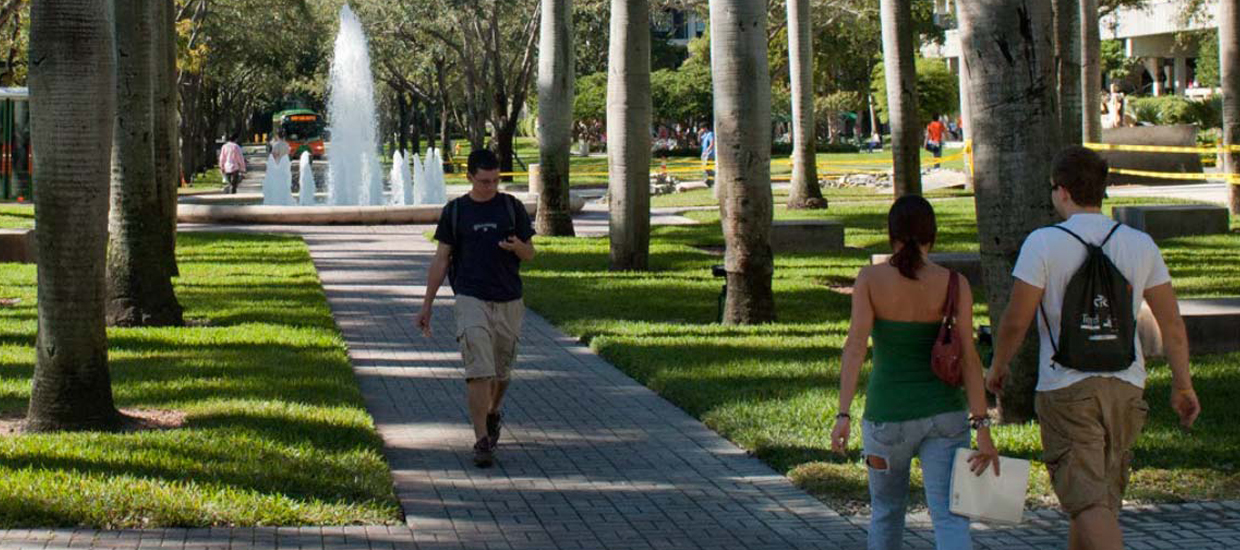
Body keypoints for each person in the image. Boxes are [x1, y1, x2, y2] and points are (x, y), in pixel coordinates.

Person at [986, 146, 1201, 550]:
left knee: (1087, 503)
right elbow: (1171, 323)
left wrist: (998, 365)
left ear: (1062, 191)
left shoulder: (1043, 243)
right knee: (1097, 500)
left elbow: (1016, 319)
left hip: (1067, 388)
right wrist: (1183, 384)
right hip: (1126, 386)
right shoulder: (1140, 244)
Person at [832, 195, 999, 550]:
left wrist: (843, 414)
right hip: (947, 418)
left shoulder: (870, 279)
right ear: (932, 236)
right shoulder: (955, 283)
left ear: (891, 235)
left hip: (885, 419)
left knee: (886, 513)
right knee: (951, 517)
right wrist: (982, 426)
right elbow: (969, 358)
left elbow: (855, 347)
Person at [416, 149, 536, 468]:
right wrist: (426, 304)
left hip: (509, 298)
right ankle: (482, 439)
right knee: (478, 369)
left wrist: (517, 247)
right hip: (470, 298)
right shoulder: (456, 212)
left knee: (502, 371)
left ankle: (494, 411)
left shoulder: (512, 208)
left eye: (495, 180)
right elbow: (442, 259)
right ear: (469, 177)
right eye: (484, 181)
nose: (490, 187)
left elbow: (530, 254)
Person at [699, 123, 716, 187]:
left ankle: (715, 176)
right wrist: (699, 134)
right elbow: (700, 142)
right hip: (704, 154)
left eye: (702, 128)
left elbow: (712, 144)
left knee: (706, 168)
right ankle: (709, 181)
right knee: (704, 168)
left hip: (709, 154)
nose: (701, 130)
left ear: (705, 128)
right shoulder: (704, 135)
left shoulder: (710, 134)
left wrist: (706, 151)